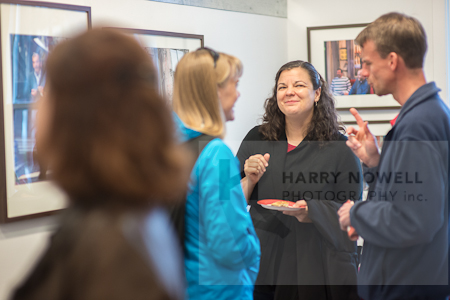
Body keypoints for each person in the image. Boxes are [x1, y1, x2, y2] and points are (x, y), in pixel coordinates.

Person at [11, 29, 187, 300]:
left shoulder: (112, 247)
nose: (39, 104)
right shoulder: (124, 217)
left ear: (77, 116)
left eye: (51, 91)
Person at [338, 12, 450, 300]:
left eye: (367, 63)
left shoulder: (418, 124)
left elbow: (414, 220)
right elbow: (408, 195)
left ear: (392, 61)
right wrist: (375, 162)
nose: (362, 72)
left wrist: (355, 214)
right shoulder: (427, 114)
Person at [237, 60, 363, 300]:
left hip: (313, 269)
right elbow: (230, 202)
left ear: (317, 93)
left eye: (298, 85)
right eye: (282, 87)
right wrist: (250, 180)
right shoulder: (257, 137)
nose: (289, 92)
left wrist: (315, 212)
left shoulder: (340, 148)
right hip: (260, 264)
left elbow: (353, 214)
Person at [172, 48, 260, 300]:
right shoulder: (217, 154)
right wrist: (254, 250)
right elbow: (230, 245)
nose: (239, 92)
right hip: (219, 289)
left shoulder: (164, 148)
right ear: (214, 91)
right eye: (235, 83)